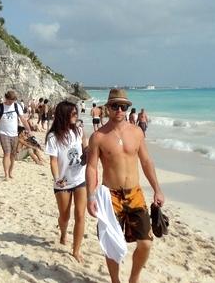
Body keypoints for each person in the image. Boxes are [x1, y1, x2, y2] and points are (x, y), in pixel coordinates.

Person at [86, 88, 165, 283]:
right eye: (115, 106)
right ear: (108, 108)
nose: (119, 110)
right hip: (109, 196)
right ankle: (115, 281)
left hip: (135, 194)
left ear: (127, 108)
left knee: (146, 243)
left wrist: (157, 189)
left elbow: (146, 162)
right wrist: (90, 196)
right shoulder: (98, 137)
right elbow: (92, 168)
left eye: (123, 106)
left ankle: (133, 279)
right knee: (111, 243)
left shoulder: (137, 132)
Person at [46, 101, 88, 263]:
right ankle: (63, 233)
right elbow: (54, 161)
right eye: (73, 114)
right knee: (65, 216)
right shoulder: (53, 137)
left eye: (76, 114)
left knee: (80, 215)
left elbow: (84, 143)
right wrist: (57, 179)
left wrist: (86, 152)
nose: (76, 117)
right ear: (64, 116)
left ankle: (76, 250)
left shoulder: (78, 130)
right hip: (62, 182)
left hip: (80, 179)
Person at [0, 90, 33, 181]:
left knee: (13, 155)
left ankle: (10, 172)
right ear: (6, 98)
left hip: (14, 134)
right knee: (7, 153)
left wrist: (29, 130)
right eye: (9, 101)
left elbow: (23, 119)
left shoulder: (17, 106)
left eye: (12, 101)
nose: (11, 103)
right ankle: (6, 175)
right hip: (3, 133)